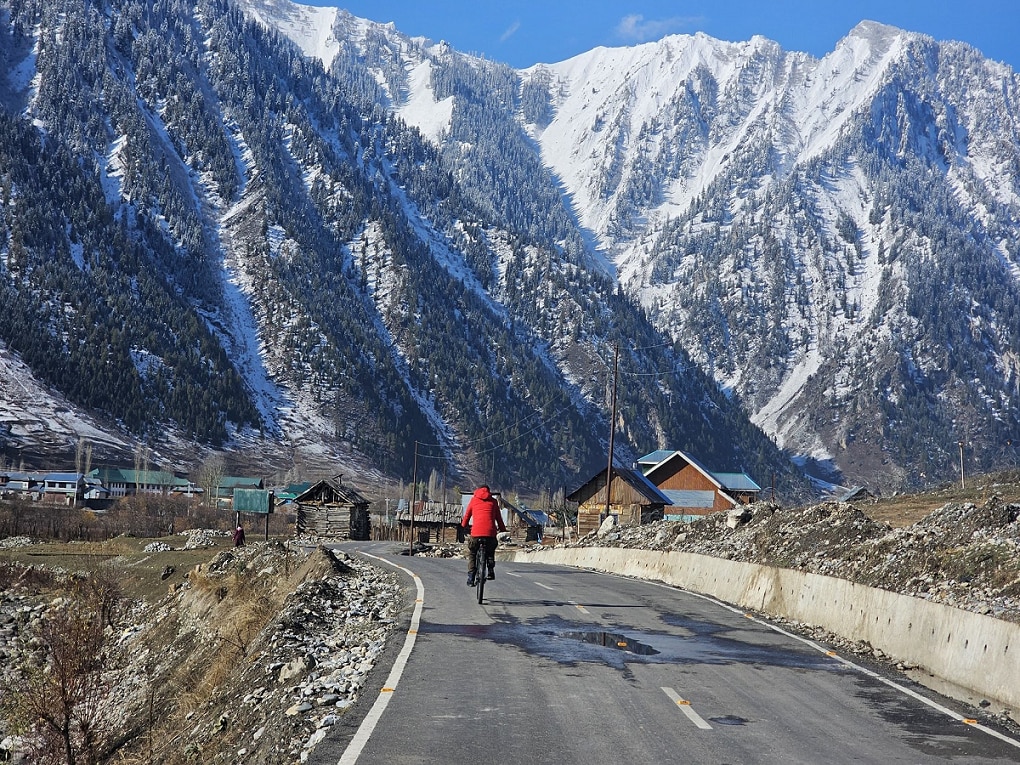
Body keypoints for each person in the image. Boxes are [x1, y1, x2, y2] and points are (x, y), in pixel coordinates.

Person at [461, 485, 506, 586]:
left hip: (476, 534)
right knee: (490, 551)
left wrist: (464, 525)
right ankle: (490, 570)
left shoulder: (473, 500)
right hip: (490, 533)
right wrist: (503, 529)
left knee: (472, 553)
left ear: (477, 491)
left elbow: (467, 515)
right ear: (489, 492)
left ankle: (471, 577)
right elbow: (499, 519)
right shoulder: (494, 502)